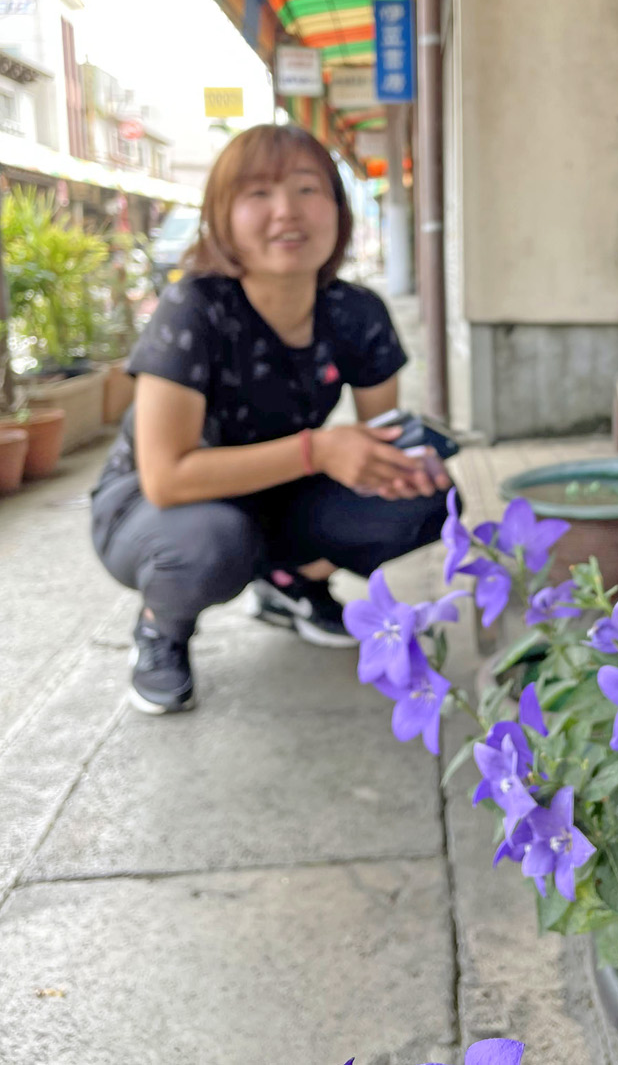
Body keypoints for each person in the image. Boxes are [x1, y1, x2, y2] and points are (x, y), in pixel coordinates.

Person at [90, 124, 452, 715]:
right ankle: (163, 624)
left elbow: (382, 438)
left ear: (337, 209)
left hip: (277, 490)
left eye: (308, 189)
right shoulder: (194, 308)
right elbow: (166, 477)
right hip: (159, 510)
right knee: (212, 543)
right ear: (221, 215)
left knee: (426, 500)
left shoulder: (356, 312)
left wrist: (405, 464)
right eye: (258, 193)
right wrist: (320, 450)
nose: (287, 210)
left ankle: (291, 584)